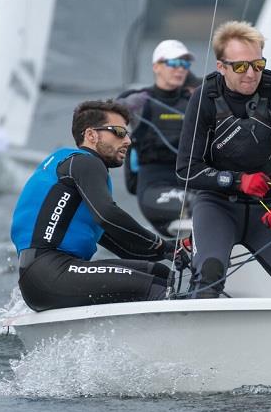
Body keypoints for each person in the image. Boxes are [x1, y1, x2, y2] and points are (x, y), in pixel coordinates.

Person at [176, 21, 271, 298]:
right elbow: (186, 171)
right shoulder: (204, 99)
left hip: (268, 210)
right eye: (241, 67)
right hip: (216, 206)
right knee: (207, 281)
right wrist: (236, 181)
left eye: (258, 64)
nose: (251, 74)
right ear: (221, 67)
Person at [10, 100, 189, 312]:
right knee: (159, 289)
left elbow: (122, 245)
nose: (129, 141)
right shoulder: (86, 162)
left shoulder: (73, 173)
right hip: (51, 272)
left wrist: (172, 249)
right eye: (120, 132)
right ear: (91, 135)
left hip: (41, 277)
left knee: (160, 274)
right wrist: (159, 243)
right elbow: (108, 215)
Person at [118, 40, 197, 236]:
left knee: (225, 204)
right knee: (204, 205)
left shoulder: (194, 102)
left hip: (190, 185)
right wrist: (123, 107)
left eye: (185, 64)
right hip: (154, 189)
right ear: (156, 67)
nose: (180, 69)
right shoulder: (140, 102)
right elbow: (106, 116)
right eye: (173, 63)